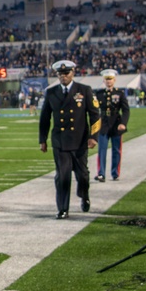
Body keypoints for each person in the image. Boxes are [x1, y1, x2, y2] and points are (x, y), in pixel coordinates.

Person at [39, 60, 101, 219]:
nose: (63, 76)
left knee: (83, 176)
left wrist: (93, 137)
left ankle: (84, 194)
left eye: (66, 73)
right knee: (63, 176)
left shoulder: (84, 90)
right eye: (60, 74)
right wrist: (43, 139)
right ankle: (63, 208)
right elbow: (45, 118)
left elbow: (95, 114)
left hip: (80, 141)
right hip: (60, 141)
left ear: (73, 73)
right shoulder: (51, 92)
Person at [94, 69, 130, 182]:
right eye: (106, 79)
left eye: (110, 79)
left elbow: (126, 110)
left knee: (116, 150)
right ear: (103, 81)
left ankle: (115, 173)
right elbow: (94, 110)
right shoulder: (99, 94)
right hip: (103, 124)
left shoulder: (120, 94)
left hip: (116, 124)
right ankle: (101, 173)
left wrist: (123, 123)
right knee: (102, 150)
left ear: (114, 80)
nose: (108, 81)